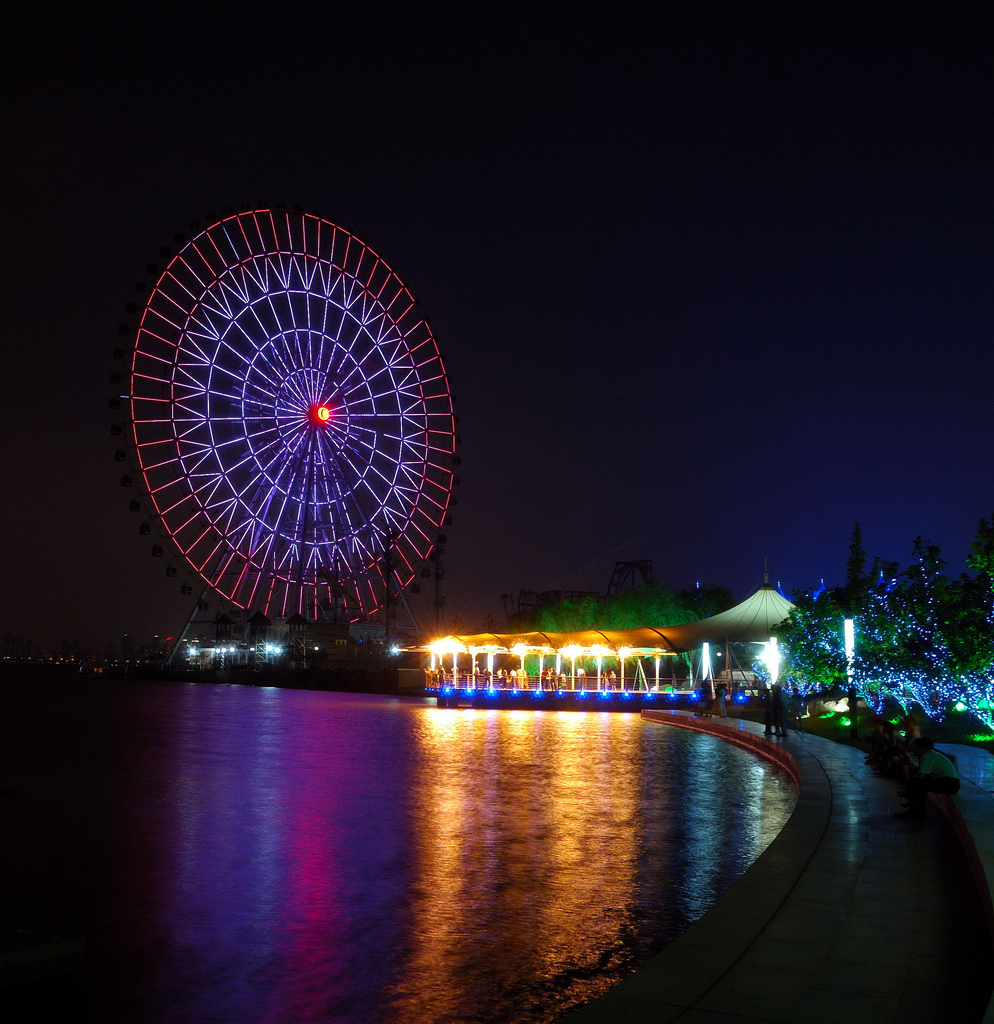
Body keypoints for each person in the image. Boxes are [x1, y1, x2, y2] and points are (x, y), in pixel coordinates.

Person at [896, 737, 960, 818]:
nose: (912, 748)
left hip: (950, 784)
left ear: (922, 748)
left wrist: (909, 786)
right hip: (949, 782)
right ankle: (915, 808)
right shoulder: (929, 754)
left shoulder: (926, 756)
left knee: (919, 784)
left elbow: (921, 775)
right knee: (919, 783)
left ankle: (914, 808)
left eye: (915, 746)